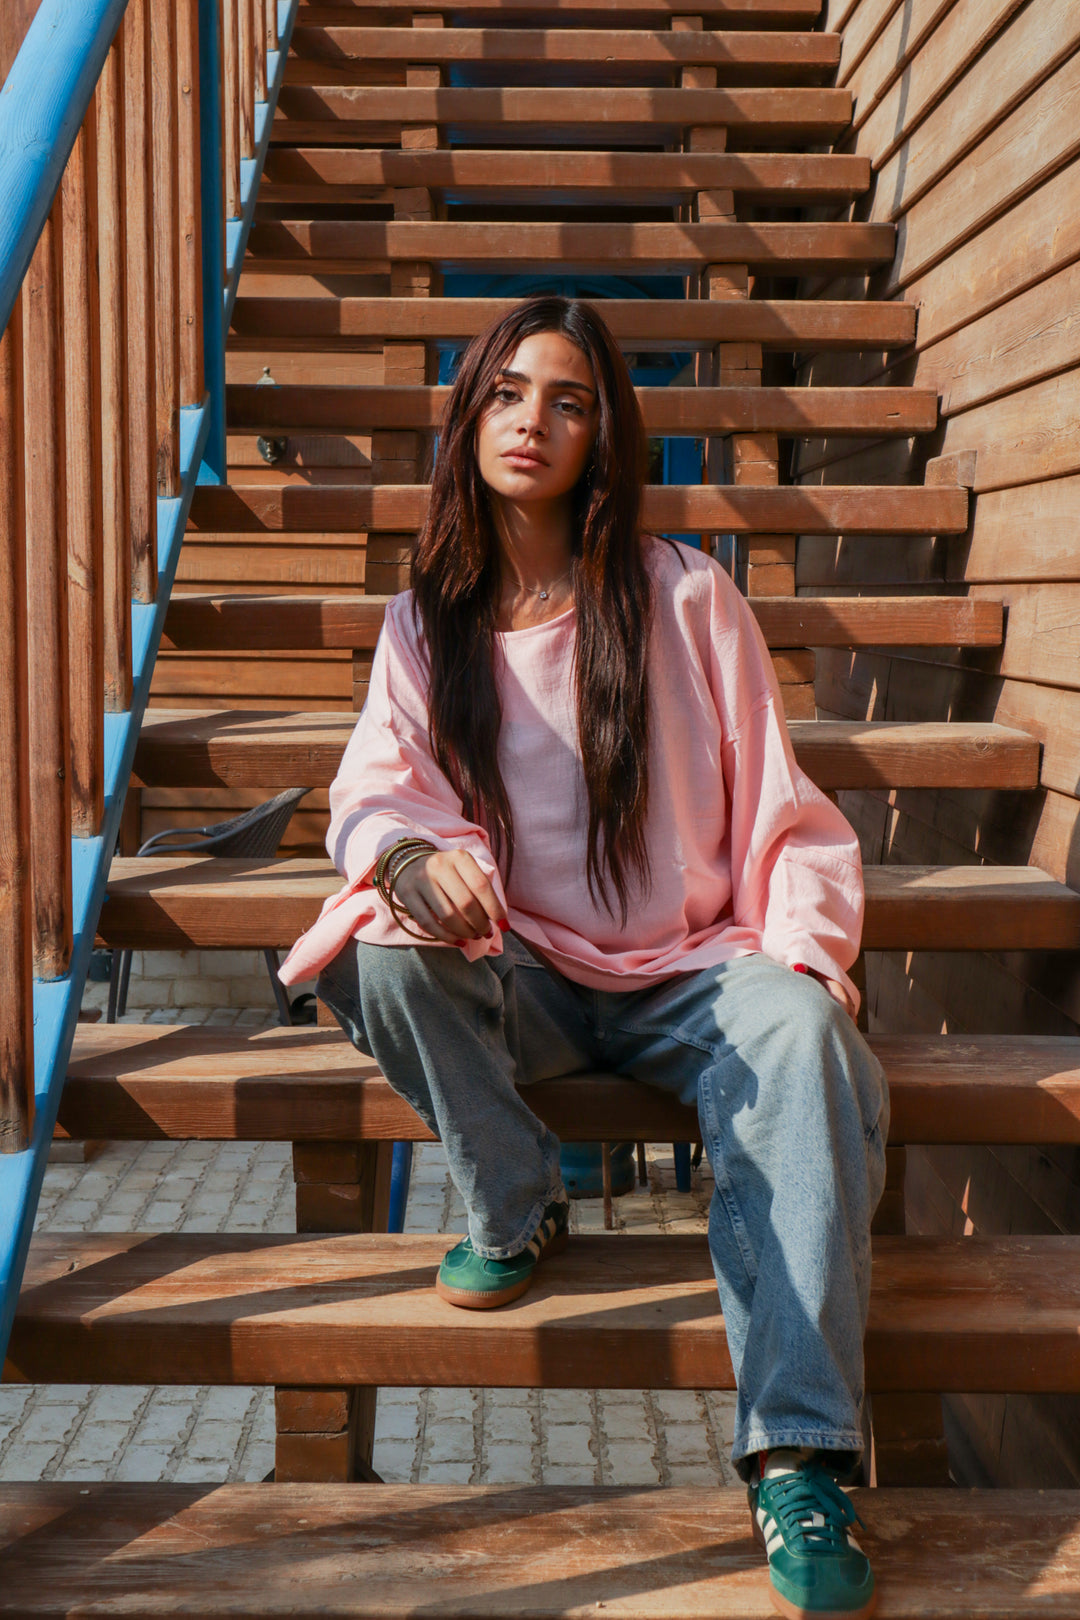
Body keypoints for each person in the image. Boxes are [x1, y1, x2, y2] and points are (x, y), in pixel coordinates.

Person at [278, 295, 887, 1620]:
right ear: (468, 419)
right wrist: (409, 865)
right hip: (524, 969)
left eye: (566, 398)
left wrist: (799, 961)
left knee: (805, 1041)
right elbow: (374, 793)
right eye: (505, 394)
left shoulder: (686, 597)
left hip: (694, 965)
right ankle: (516, 1201)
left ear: (607, 430)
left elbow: (783, 807)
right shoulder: (426, 621)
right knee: (371, 956)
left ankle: (799, 1460)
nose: (531, 422)